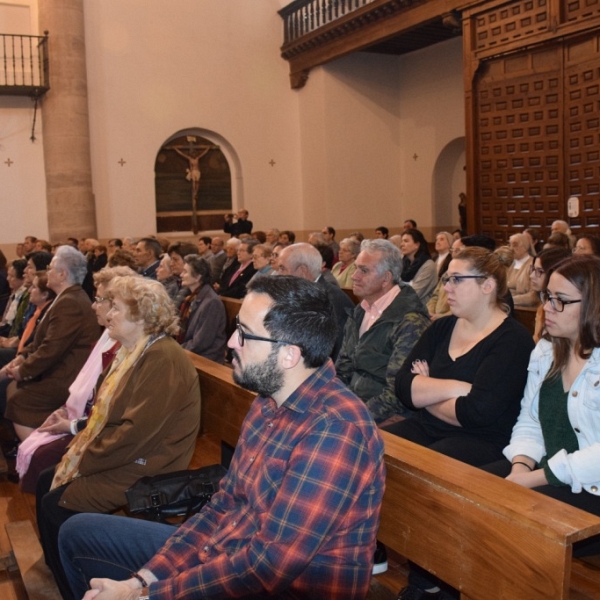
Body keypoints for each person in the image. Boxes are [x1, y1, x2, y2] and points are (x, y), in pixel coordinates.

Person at [59, 275, 385, 600]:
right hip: (228, 549)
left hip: (277, 588)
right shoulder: (268, 401)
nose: (231, 343)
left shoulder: (336, 431)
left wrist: (147, 596)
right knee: (78, 533)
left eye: (243, 334)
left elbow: (266, 567)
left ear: (289, 355)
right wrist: (140, 581)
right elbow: (223, 505)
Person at [37, 275, 201, 599]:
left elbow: (134, 433)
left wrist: (84, 458)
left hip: (149, 468)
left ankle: (78, 588)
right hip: (131, 456)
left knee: (55, 504)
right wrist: (79, 438)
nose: (107, 314)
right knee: (46, 481)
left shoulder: (162, 358)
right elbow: (109, 416)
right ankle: (63, 575)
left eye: (115, 307)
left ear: (141, 315)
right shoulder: (134, 353)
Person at [387, 247, 535, 600]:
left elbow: (477, 414)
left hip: (484, 439)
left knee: (427, 473)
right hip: (429, 426)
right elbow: (403, 388)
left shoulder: (512, 340)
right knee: (377, 449)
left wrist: (429, 388)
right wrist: (457, 388)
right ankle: (383, 542)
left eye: (456, 279)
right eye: (445, 279)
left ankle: (436, 578)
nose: (446, 288)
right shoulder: (442, 329)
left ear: (487, 286)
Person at [482, 254, 600, 560]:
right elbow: (529, 421)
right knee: (466, 489)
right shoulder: (547, 349)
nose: (547, 307)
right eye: (547, 296)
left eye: (560, 300)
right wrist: (520, 466)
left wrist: (531, 479)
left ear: (592, 305)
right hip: (550, 471)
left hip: (592, 485)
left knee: (502, 520)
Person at [15, 267, 133, 493]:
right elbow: (90, 390)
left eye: (99, 300)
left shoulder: (124, 346)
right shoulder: (107, 337)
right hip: (85, 416)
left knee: (41, 460)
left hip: (101, 433)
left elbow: (111, 409)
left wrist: (69, 424)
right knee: (39, 452)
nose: (93, 306)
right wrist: (65, 409)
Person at [4, 246, 100, 441]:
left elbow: (51, 349)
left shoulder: (71, 302)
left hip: (68, 376)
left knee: (18, 400)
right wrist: (22, 357)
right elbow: (41, 339)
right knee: (11, 388)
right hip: (60, 368)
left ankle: (36, 454)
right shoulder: (66, 297)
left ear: (62, 274)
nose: (47, 271)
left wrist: (23, 370)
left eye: (51, 268)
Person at [336, 239, 430, 423]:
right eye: (356, 268)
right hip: (353, 404)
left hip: (388, 415)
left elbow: (397, 392)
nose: (354, 276)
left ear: (386, 278)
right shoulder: (361, 310)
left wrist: (353, 417)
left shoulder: (409, 320)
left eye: (364, 270)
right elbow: (343, 367)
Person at [277, 243, 353, 360]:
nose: (278, 275)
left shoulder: (329, 300)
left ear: (302, 271)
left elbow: (327, 352)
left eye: (282, 268)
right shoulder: (306, 293)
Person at [178, 255, 227, 363]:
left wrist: (175, 350)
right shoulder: (192, 297)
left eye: (185, 272)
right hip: (193, 352)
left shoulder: (211, 302)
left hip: (206, 358)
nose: (181, 275)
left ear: (197, 277)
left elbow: (201, 342)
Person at [527, 247, 572, 342]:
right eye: (533, 269)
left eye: (540, 271)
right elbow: (537, 340)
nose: (532, 276)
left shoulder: (566, 310)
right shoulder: (543, 305)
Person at [400, 229, 437, 304]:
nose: (402, 244)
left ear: (417, 244)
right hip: (404, 304)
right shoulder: (403, 263)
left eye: (406, 241)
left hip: (421, 309)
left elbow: (414, 294)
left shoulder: (428, 265)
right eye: (402, 241)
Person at [507, 233, 535, 305]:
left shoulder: (533, 266)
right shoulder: (508, 264)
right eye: (510, 245)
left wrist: (507, 300)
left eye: (515, 245)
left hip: (524, 309)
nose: (511, 249)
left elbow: (533, 297)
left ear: (525, 247)